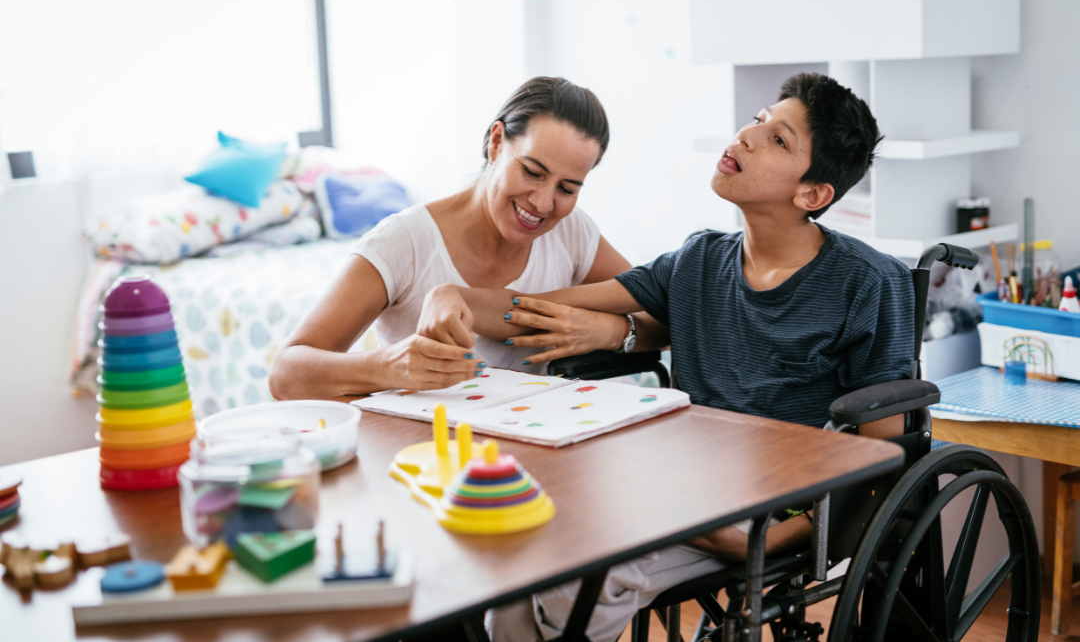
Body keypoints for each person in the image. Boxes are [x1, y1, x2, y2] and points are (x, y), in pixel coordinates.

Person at [418, 72, 915, 642]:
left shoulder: (870, 283)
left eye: (778, 140)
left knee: (578, 574)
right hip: (684, 487)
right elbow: (533, 308)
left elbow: (882, 450)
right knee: (526, 551)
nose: (747, 137)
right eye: (757, 120)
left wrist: (777, 537)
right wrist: (449, 296)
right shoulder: (698, 261)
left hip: (780, 510)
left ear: (812, 194)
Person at [268, 77, 665, 402]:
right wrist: (391, 365)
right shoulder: (405, 242)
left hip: (540, 443)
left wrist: (607, 332)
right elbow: (286, 373)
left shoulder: (572, 230)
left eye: (568, 187)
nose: (543, 203)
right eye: (531, 171)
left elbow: (664, 318)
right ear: (496, 143)